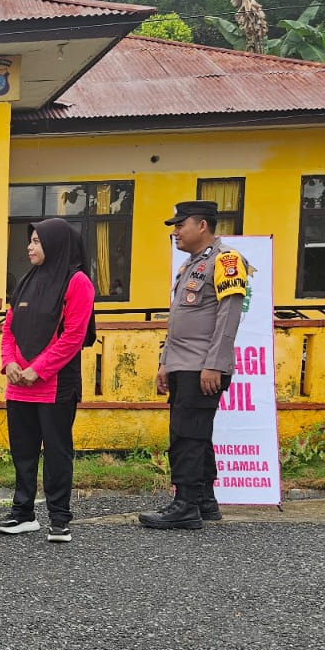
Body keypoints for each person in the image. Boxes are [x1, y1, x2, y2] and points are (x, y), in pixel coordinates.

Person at [140, 199, 247, 530]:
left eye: (180, 225)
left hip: (203, 366)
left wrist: (214, 365)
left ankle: (185, 505)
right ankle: (204, 501)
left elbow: (228, 317)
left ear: (201, 226)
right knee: (195, 433)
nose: (175, 232)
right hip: (183, 364)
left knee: (187, 435)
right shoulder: (190, 264)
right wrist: (165, 363)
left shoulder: (226, 260)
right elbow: (179, 320)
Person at [0, 217, 97, 543]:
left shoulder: (77, 282)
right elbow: (8, 329)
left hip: (55, 385)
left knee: (56, 452)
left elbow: (73, 337)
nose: (29, 246)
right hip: (19, 385)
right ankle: (23, 513)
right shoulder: (26, 280)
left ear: (55, 244)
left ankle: (59, 518)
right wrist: (10, 363)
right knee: (22, 452)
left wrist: (38, 369)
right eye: (31, 240)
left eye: (37, 241)